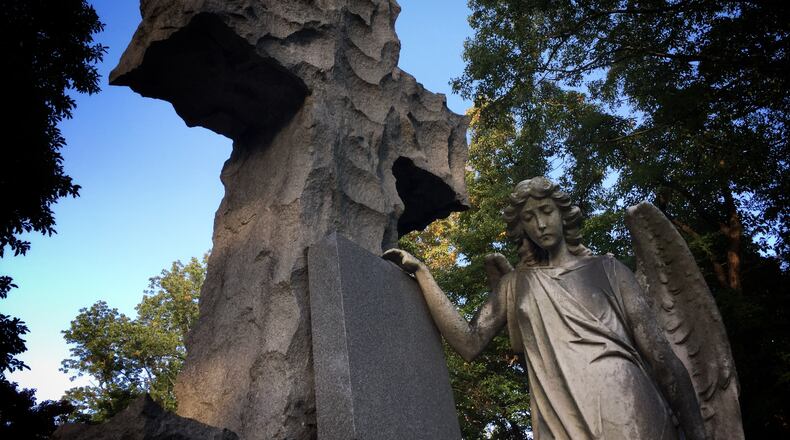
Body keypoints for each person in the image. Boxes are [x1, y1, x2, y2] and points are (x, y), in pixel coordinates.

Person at [383, 177, 706, 440]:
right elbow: (468, 342)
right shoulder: (516, 284)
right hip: (557, 411)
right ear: (522, 228)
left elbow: (661, 356)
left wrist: (698, 433)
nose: (540, 224)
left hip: (625, 405)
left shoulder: (609, 270)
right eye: (529, 218)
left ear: (563, 214)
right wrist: (423, 274)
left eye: (546, 211)